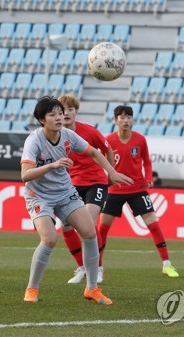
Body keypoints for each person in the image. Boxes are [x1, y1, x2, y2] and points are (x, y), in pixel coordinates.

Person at [21, 96, 133, 305]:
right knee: (49, 239)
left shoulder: (69, 135)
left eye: (60, 113)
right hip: (39, 196)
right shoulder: (33, 140)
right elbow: (25, 175)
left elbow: (94, 152)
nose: (59, 117)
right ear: (42, 120)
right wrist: (52, 166)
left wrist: (111, 172)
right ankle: (32, 289)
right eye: (52, 114)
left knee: (90, 232)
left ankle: (92, 289)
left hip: (65, 193)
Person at [99, 105, 179, 278]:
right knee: (102, 228)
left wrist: (148, 177)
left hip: (137, 188)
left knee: (154, 224)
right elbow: (101, 162)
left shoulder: (140, 140)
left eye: (128, 117)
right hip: (115, 189)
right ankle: (98, 268)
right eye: (122, 117)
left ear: (132, 120)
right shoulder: (109, 141)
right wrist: (106, 180)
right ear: (116, 120)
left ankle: (167, 264)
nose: (125, 120)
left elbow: (147, 162)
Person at [58, 94, 113, 284]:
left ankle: (98, 268)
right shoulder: (55, 134)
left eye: (70, 110)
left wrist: (111, 173)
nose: (66, 114)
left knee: (88, 223)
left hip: (95, 182)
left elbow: (108, 149)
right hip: (72, 184)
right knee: (65, 226)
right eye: (62, 110)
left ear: (76, 112)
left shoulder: (89, 131)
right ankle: (82, 268)